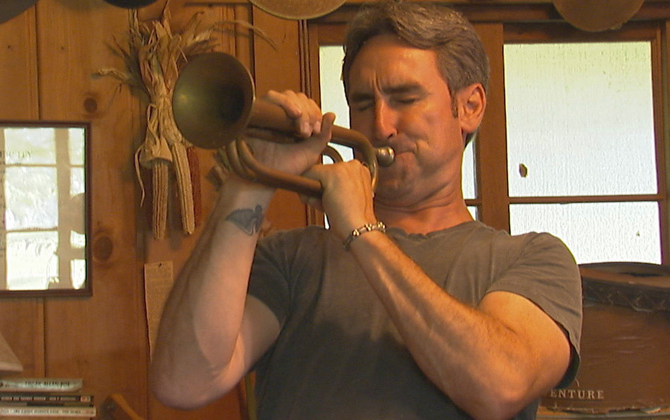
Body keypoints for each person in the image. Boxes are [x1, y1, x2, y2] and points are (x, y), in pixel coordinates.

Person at [150, 2, 582, 419]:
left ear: (469, 107)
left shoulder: (532, 259)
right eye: (361, 103)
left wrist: (362, 230)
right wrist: (250, 184)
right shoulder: (290, 259)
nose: (379, 125)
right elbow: (182, 381)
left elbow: (500, 387)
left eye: (405, 98)